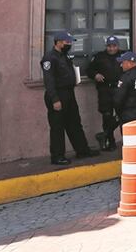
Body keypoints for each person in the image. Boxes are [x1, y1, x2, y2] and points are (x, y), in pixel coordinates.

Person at [40, 31, 98, 165]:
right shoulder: (50, 58)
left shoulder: (64, 56)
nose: (69, 44)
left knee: (75, 123)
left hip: (69, 94)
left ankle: (82, 150)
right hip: (57, 95)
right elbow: (49, 81)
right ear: (59, 42)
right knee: (57, 127)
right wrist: (55, 99)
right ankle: (57, 156)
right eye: (67, 42)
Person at [85, 35, 123, 151]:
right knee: (106, 116)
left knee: (121, 116)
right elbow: (89, 70)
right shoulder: (99, 57)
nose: (111, 49)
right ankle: (109, 141)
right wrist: (95, 75)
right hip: (105, 90)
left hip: (119, 89)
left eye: (114, 46)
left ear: (118, 46)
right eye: (109, 46)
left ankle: (109, 136)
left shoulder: (124, 56)